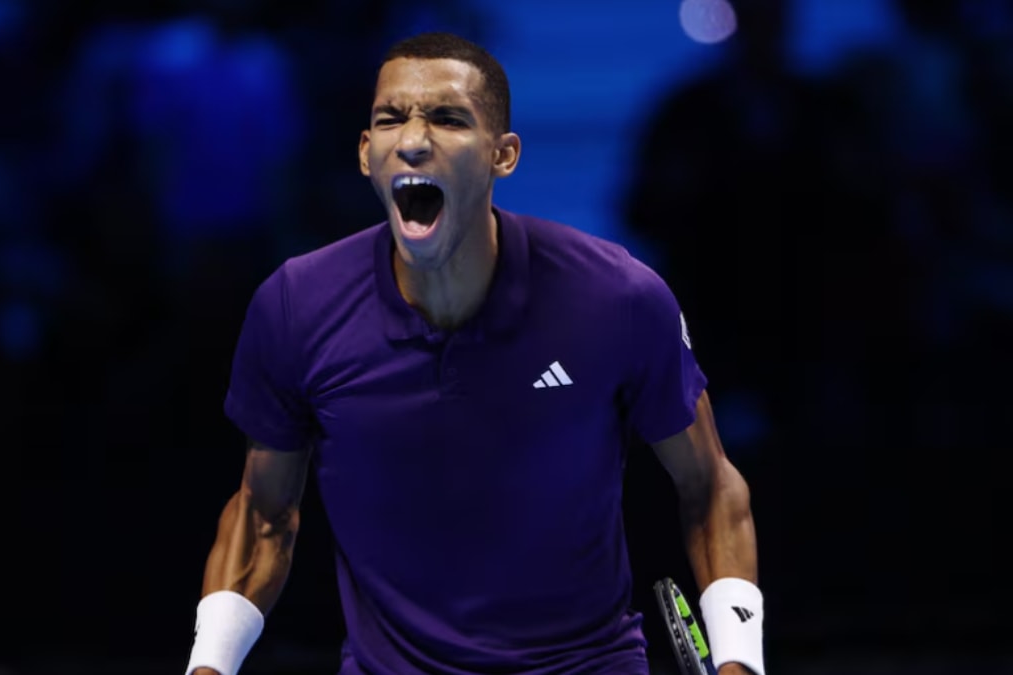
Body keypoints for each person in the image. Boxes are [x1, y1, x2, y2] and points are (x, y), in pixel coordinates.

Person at [184, 32, 763, 675]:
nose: (413, 139)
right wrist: (207, 668)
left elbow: (709, 486)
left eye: (448, 118)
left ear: (502, 155)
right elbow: (263, 516)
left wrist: (739, 662)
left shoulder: (617, 297)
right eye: (391, 119)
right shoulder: (295, 306)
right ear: (365, 153)